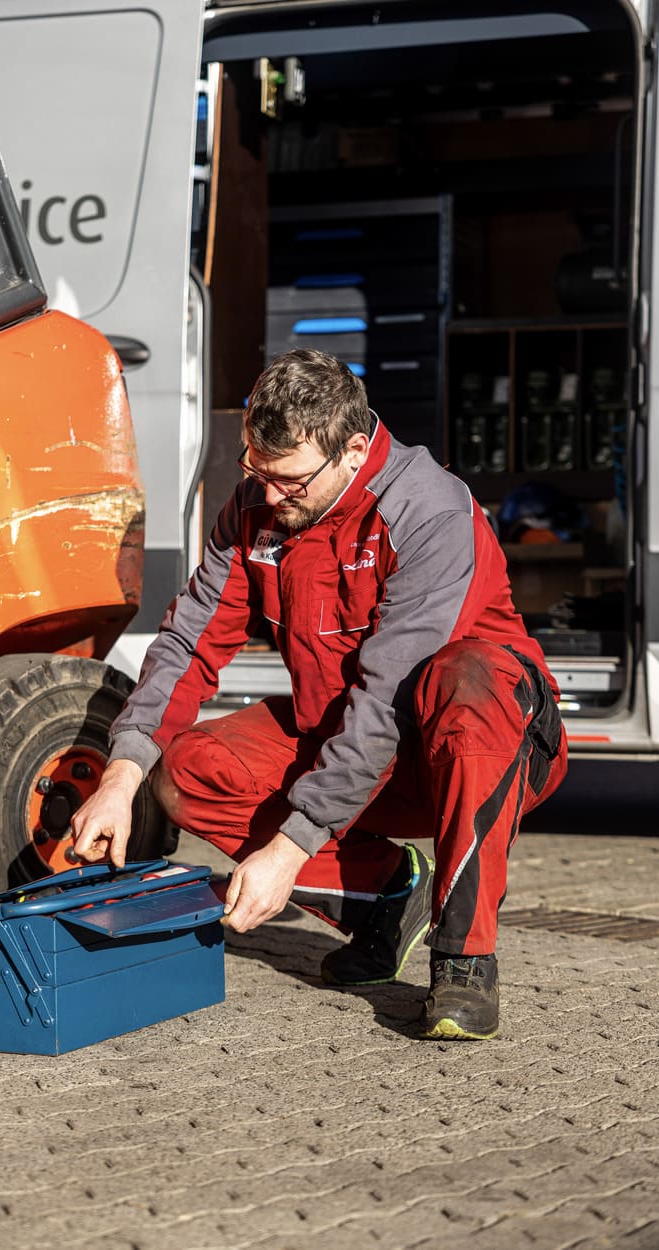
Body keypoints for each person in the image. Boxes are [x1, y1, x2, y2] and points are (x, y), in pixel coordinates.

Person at [72, 348, 567, 1041]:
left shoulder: (428, 510)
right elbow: (188, 644)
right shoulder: (256, 509)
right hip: (353, 748)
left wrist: (290, 847)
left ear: (354, 450)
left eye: (291, 480)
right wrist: (121, 775)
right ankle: (387, 891)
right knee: (187, 773)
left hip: (476, 747)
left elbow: (387, 696)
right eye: (257, 471)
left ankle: (464, 959)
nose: (271, 496)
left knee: (470, 681)